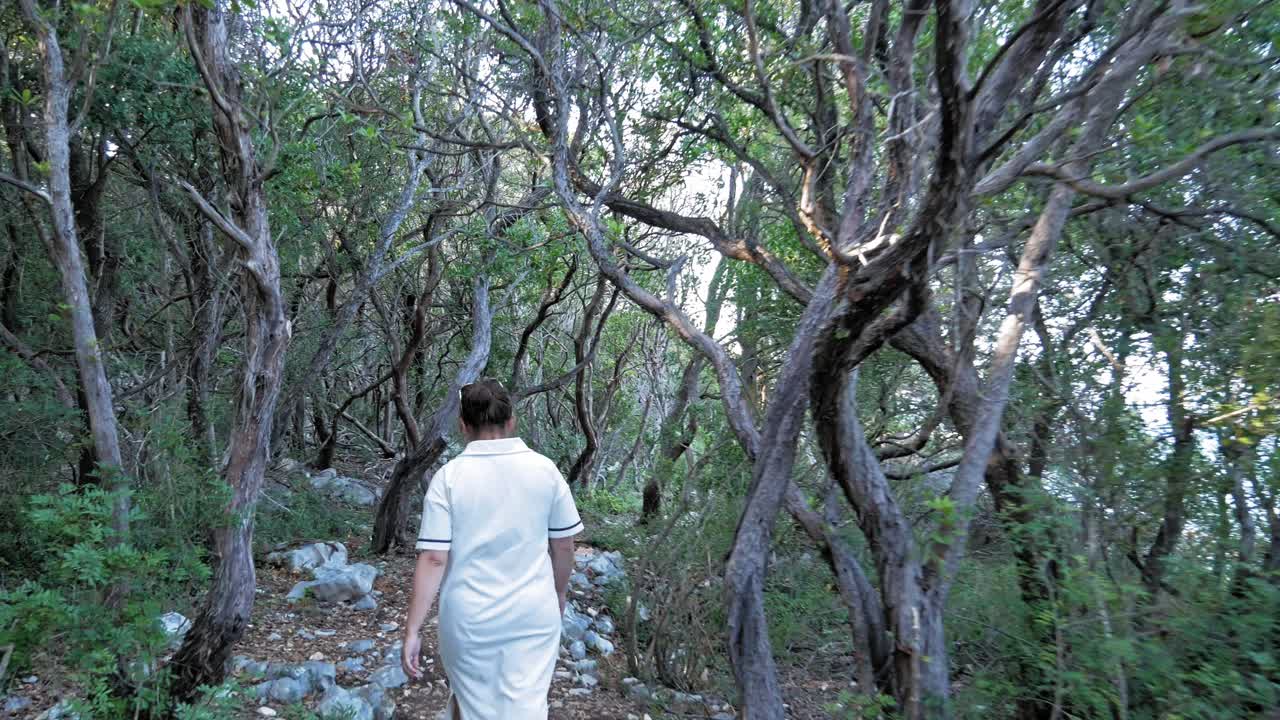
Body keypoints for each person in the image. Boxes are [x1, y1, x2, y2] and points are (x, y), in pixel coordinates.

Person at [401, 377, 583, 719]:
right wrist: (557, 593)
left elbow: (434, 558)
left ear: (462, 425)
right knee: (528, 706)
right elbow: (563, 546)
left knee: (469, 703)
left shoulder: (449, 477)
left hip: (469, 620)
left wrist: (413, 629)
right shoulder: (545, 470)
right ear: (511, 420)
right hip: (533, 614)